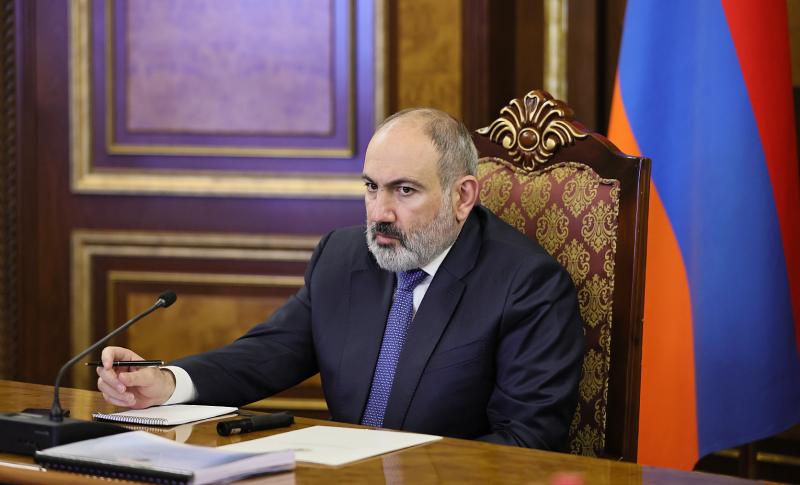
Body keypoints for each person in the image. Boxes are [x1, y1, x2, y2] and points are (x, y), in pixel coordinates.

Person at [96, 108, 584, 451]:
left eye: (404, 190)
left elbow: (527, 441)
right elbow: (270, 352)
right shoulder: (345, 255)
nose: (380, 212)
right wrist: (168, 382)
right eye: (371, 187)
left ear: (462, 197)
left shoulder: (527, 285)